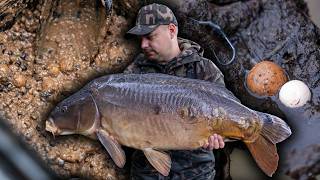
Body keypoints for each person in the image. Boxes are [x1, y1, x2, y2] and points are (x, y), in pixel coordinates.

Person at [124, 3, 226, 180]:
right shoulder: (133, 74)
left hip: (196, 172)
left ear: (171, 30)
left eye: (149, 37)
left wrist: (219, 137)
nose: (143, 44)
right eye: (140, 38)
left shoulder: (206, 70)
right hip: (147, 172)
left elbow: (224, 116)